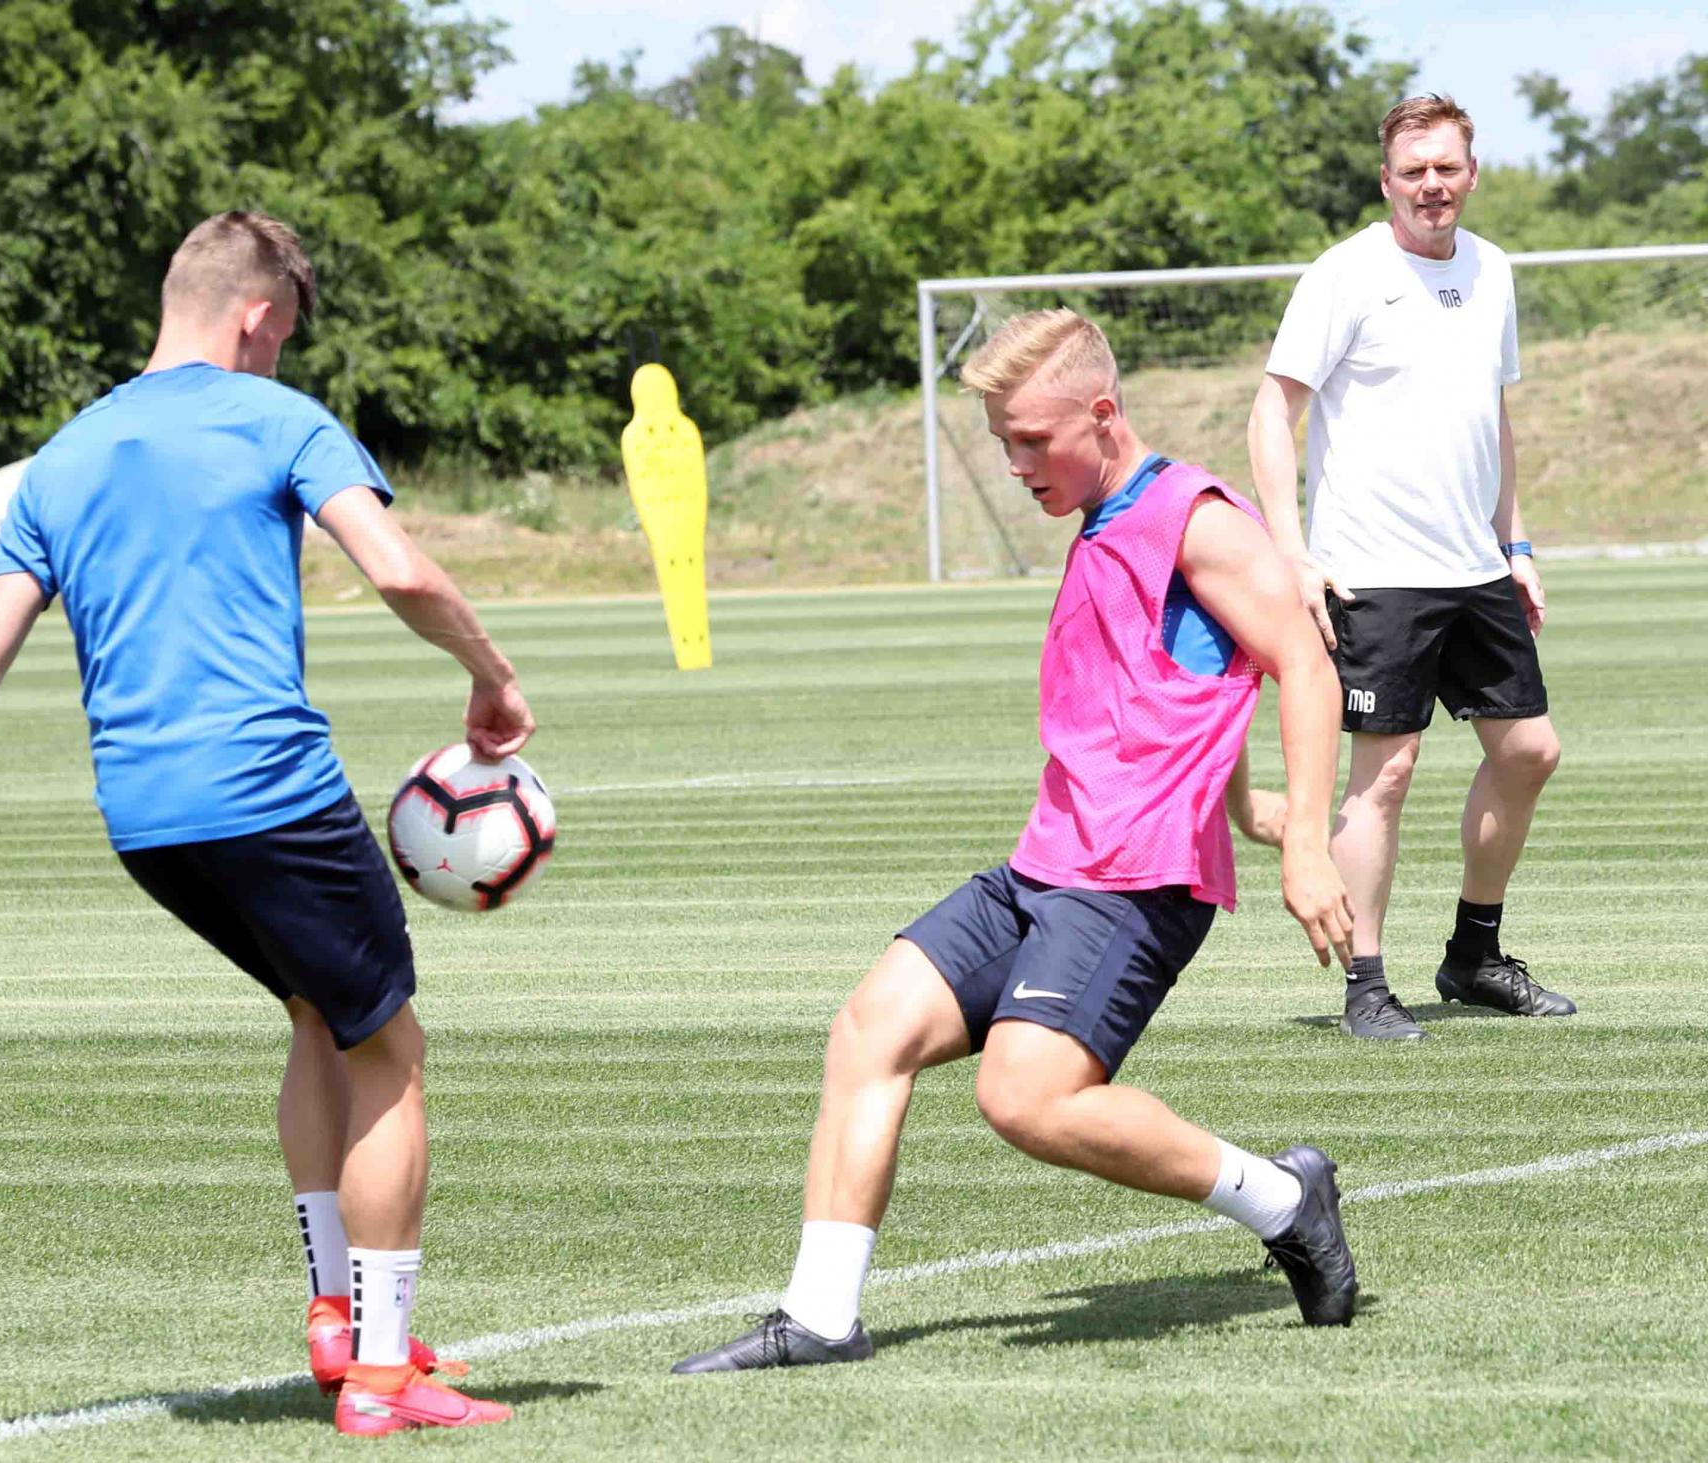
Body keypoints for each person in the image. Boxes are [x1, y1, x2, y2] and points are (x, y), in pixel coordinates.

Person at [0, 212, 529, 1436]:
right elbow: (398, 569)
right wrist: (491, 674)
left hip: (145, 821)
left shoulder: (61, 459)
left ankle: (334, 1313)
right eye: (284, 336)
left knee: (317, 1012)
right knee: (392, 1051)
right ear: (258, 317)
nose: (281, 356)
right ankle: (383, 1372)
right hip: (271, 792)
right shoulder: (278, 417)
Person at [672, 308, 1359, 1375]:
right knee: (868, 1029)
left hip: (1132, 881)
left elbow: (1303, 662)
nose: (1016, 465)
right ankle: (820, 1317)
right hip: (1046, 863)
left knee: (1023, 1096)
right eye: (1002, 443)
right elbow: (1177, 683)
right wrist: (1236, 802)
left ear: (1103, 414)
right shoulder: (1103, 516)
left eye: (1033, 440)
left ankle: (1281, 1197)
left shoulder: (1194, 517)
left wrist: (1305, 841)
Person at [1247, 94, 1572, 1042]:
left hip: (1474, 563)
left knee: (1529, 751)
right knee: (1385, 775)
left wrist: (1515, 545)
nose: (1433, 184)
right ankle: (1367, 984)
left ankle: (1474, 956)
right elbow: (1271, 411)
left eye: (1447, 167)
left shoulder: (1493, 269)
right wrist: (1291, 552)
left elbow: (1491, 418)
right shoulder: (1345, 274)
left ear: (1472, 172)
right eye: (1414, 170)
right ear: (1386, 180)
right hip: (1374, 569)